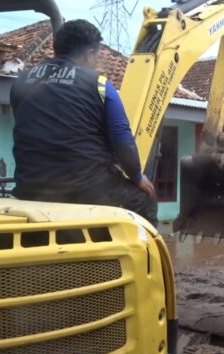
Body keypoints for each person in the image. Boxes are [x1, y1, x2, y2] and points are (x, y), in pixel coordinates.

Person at [10, 20, 158, 226]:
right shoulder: (98, 83)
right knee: (144, 200)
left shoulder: (22, 81)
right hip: (85, 188)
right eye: (97, 55)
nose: (96, 60)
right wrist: (137, 177)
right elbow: (122, 139)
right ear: (90, 52)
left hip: (30, 187)